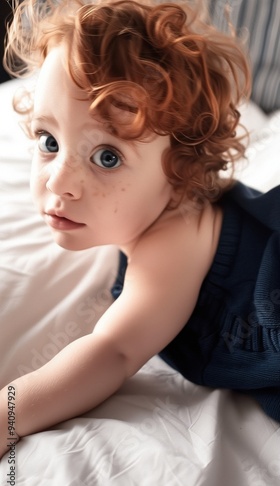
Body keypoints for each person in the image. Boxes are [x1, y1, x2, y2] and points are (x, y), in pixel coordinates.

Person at [1, 0, 279, 460]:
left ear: (181, 172)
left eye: (107, 157)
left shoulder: (173, 237)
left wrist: (7, 415)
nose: (59, 182)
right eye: (49, 142)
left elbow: (113, 352)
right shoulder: (155, 218)